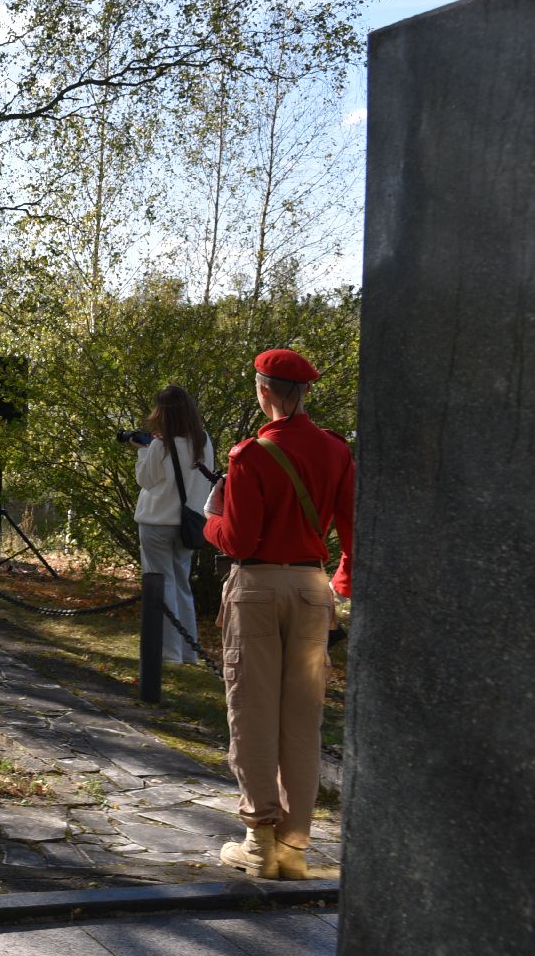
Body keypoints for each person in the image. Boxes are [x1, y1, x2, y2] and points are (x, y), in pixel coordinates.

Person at [204, 348, 355, 883]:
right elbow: (352, 530)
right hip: (312, 589)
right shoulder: (336, 449)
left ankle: (258, 842)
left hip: (259, 589)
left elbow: (238, 540)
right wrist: (340, 585)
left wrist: (210, 518)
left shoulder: (250, 455)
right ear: (305, 392)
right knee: (302, 720)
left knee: (252, 712)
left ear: (263, 390)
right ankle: (294, 847)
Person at [129, 385, 216, 664]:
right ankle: (189, 651)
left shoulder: (160, 445)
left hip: (157, 522)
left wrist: (142, 451)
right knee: (181, 587)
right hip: (189, 523)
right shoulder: (203, 441)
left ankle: (169, 652)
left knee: (160, 587)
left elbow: (145, 480)